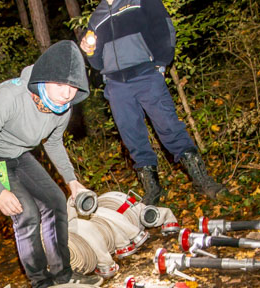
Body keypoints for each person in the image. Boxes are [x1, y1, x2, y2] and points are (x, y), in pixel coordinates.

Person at [0, 40, 102, 288]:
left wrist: (72, 181)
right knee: (27, 213)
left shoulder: (62, 106)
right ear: (45, 79)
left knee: (56, 202)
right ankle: (42, 285)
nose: (67, 93)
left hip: (16, 153)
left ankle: (63, 276)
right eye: (60, 84)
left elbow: (54, 143)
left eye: (72, 86)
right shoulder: (10, 97)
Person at [79, 0, 226, 205]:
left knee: (169, 126)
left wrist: (160, 64)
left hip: (146, 74)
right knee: (133, 138)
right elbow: (96, 62)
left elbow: (164, 26)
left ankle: (203, 181)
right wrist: (88, 50)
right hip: (116, 85)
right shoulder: (96, 17)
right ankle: (153, 190)